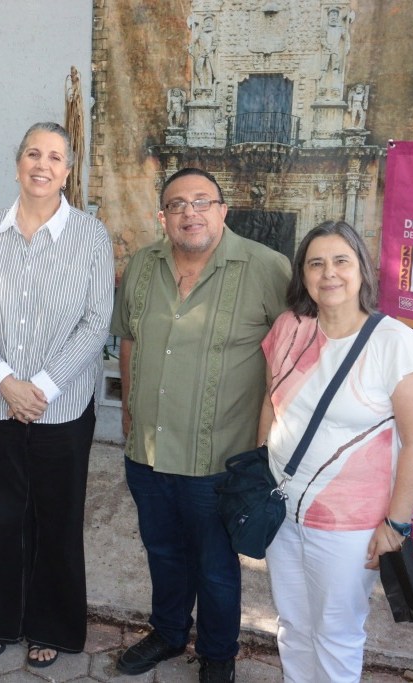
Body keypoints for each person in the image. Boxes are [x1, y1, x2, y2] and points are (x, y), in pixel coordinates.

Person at [111, 167, 290, 681]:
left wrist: (269, 439)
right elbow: (129, 339)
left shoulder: (266, 268)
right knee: (163, 552)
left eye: (202, 202)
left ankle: (217, 654)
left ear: (222, 210)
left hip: (219, 458)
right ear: (162, 216)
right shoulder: (143, 265)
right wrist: (128, 411)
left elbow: (293, 354)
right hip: (147, 452)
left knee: (215, 566)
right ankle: (168, 633)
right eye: (177, 204)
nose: (190, 213)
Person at [0, 122, 114, 668]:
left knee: (56, 520)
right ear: (17, 162)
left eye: (54, 157)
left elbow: (95, 322)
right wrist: (5, 381)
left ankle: (52, 626)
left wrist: (40, 389)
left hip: (61, 408)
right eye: (32, 154)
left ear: (67, 170)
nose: (42, 165)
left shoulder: (91, 236)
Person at [258, 220, 413, 683]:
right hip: (281, 512)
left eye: (340, 261)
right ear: (303, 275)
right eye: (316, 263)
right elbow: (270, 401)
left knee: (336, 635)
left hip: (348, 527)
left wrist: (396, 524)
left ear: (362, 270)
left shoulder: (395, 343)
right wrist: (258, 471)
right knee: (292, 626)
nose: (328, 273)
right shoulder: (289, 328)